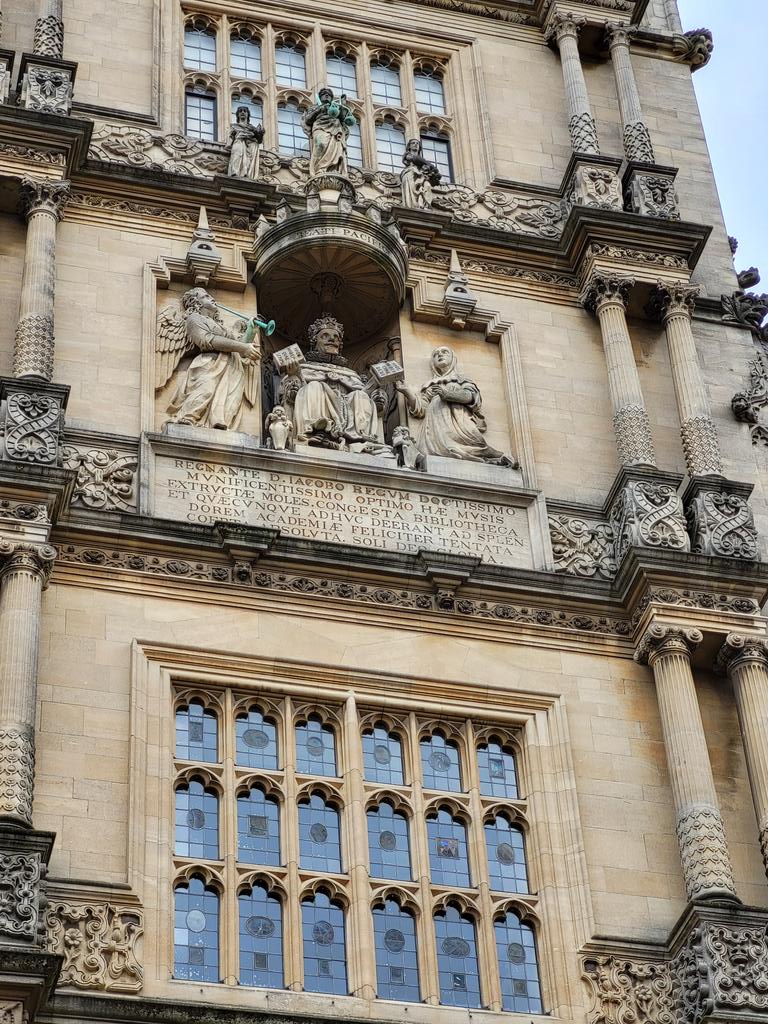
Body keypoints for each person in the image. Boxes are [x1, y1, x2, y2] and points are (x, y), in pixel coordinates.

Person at [396, 346, 517, 465]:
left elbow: (471, 397)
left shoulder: (462, 380)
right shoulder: (430, 385)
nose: (440, 355)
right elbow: (420, 409)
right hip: (434, 427)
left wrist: (447, 394)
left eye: (444, 352)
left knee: (475, 445)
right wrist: (407, 391)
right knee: (441, 450)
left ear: (453, 358)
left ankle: (496, 457)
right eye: (436, 354)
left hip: (458, 423)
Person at [165, 289, 260, 430]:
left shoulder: (220, 326)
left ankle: (218, 426)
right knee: (206, 390)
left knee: (230, 403)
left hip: (231, 368)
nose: (212, 299)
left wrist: (250, 331)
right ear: (196, 303)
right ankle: (187, 418)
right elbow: (206, 340)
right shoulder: (194, 319)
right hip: (209, 364)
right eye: (206, 297)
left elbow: (239, 349)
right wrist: (241, 347)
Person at [278, 315, 378, 445]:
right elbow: (292, 395)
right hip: (318, 417)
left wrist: (375, 387)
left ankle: (360, 437)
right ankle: (316, 430)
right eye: (325, 336)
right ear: (315, 342)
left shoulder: (351, 373)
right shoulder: (303, 367)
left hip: (346, 411)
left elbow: (366, 397)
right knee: (314, 386)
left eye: (336, 337)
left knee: (360, 395)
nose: (332, 339)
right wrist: (295, 375)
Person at [302, 87, 356, 177]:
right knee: (321, 144)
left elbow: (344, 119)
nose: (326, 95)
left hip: (335, 129)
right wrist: (320, 109)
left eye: (329, 95)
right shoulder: (315, 107)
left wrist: (342, 106)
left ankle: (332, 168)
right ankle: (319, 168)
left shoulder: (335, 107)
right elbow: (308, 119)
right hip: (320, 127)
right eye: (324, 94)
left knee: (335, 149)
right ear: (320, 97)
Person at [400, 138, 441, 209]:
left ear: (419, 147)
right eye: (413, 143)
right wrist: (430, 165)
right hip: (411, 173)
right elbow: (415, 159)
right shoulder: (407, 155)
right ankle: (413, 205)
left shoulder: (422, 160)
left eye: (417, 143)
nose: (415, 144)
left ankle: (425, 205)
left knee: (427, 186)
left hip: (422, 176)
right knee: (412, 183)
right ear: (409, 146)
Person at [227, 105, 265, 179]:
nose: (242, 112)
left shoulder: (252, 128)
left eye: (245, 111)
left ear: (248, 114)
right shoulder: (234, 126)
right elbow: (231, 136)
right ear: (238, 115)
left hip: (250, 145)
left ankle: (247, 173)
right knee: (237, 154)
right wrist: (228, 144)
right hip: (238, 141)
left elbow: (259, 140)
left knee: (253, 147)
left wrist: (261, 133)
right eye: (240, 111)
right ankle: (235, 172)